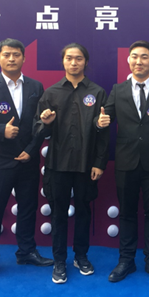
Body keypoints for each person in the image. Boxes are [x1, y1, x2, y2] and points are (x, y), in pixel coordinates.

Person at [0, 38, 53, 284]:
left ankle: (26, 252)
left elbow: (41, 124)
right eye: (7, 55)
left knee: (28, 208)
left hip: (28, 159)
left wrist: (32, 150)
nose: (12, 58)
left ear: (24, 58)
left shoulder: (36, 86)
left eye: (16, 54)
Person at [96, 40, 149, 284]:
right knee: (127, 213)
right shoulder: (118, 89)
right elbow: (106, 117)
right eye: (134, 56)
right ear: (128, 60)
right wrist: (100, 122)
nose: (138, 61)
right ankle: (126, 260)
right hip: (126, 161)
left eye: (144, 57)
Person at [35, 43, 109, 284]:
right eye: (69, 58)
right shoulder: (51, 92)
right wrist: (45, 123)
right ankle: (59, 260)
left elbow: (103, 132)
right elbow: (38, 130)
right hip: (58, 164)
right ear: (63, 62)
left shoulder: (97, 92)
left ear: (85, 62)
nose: (74, 62)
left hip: (87, 164)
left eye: (78, 58)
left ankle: (81, 256)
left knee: (84, 212)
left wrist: (99, 162)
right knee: (58, 214)